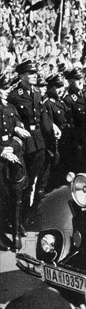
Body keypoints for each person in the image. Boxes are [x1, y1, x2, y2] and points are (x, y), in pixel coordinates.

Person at [8, 59, 49, 227]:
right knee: (24, 184)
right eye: (31, 73)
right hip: (25, 143)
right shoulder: (14, 95)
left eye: (35, 73)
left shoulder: (37, 92)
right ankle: (20, 220)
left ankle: (29, 216)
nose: (35, 75)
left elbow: (42, 116)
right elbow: (11, 118)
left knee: (35, 182)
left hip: (39, 141)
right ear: (22, 76)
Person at [0, 74, 27, 250]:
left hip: (14, 155)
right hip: (1, 158)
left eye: (8, 88)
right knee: (2, 197)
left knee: (16, 196)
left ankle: (16, 232)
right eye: (3, 89)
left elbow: (18, 125)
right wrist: (1, 152)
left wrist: (15, 143)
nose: (6, 92)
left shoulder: (10, 106)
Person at [62, 67, 86, 175]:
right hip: (77, 142)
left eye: (82, 78)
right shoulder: (68, 99)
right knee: (80, 171)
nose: (81, 81)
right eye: (77, 79)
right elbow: (70, 124)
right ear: (70, 82)